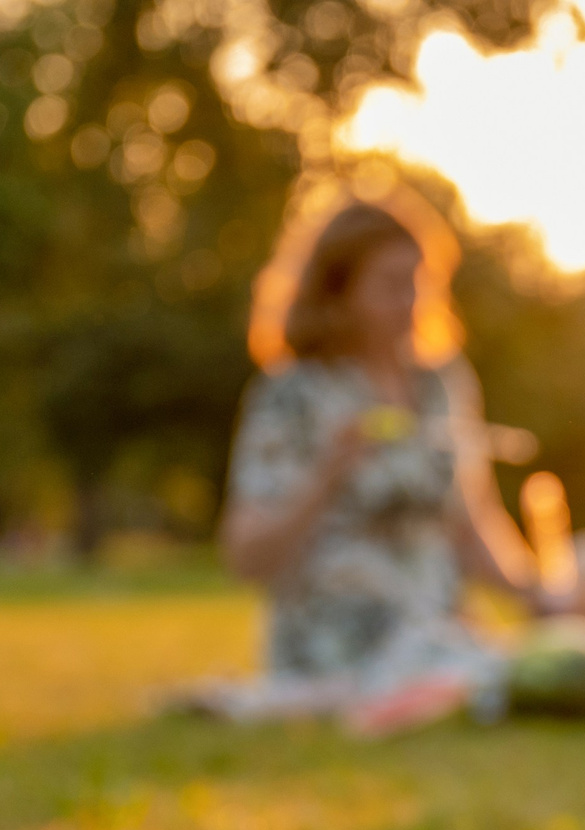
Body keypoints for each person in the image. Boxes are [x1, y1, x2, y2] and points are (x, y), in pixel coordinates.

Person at [195, 191, 540, 733]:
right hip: (336, 640)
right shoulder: (293, 395)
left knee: (527, 666)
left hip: (436, 628)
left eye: (418, 282)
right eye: (388, 285)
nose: (408, 300)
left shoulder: (440, 385)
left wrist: (538, 597)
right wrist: (325, 476)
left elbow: (470, 525)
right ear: (338, 292)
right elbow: (246, 557)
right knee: (488, 682)